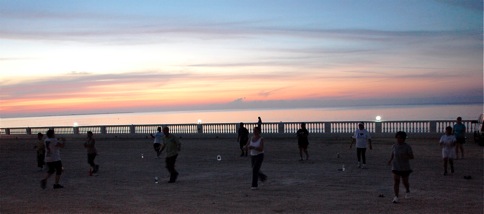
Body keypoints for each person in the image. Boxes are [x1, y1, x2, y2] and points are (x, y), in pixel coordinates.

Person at [387, 131, 414, 203]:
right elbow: (393, 154)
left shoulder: (407, 147)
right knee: (396, 181)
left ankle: (407, 190)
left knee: (405, 182)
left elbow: (412, 156)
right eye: (397, 138)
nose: (398, 139)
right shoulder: (394, 146)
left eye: (400, 138)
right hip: (396, 166)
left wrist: (406, 156)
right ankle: (396, 196)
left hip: (405, 167)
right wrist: (390, 160)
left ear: (404, 139)